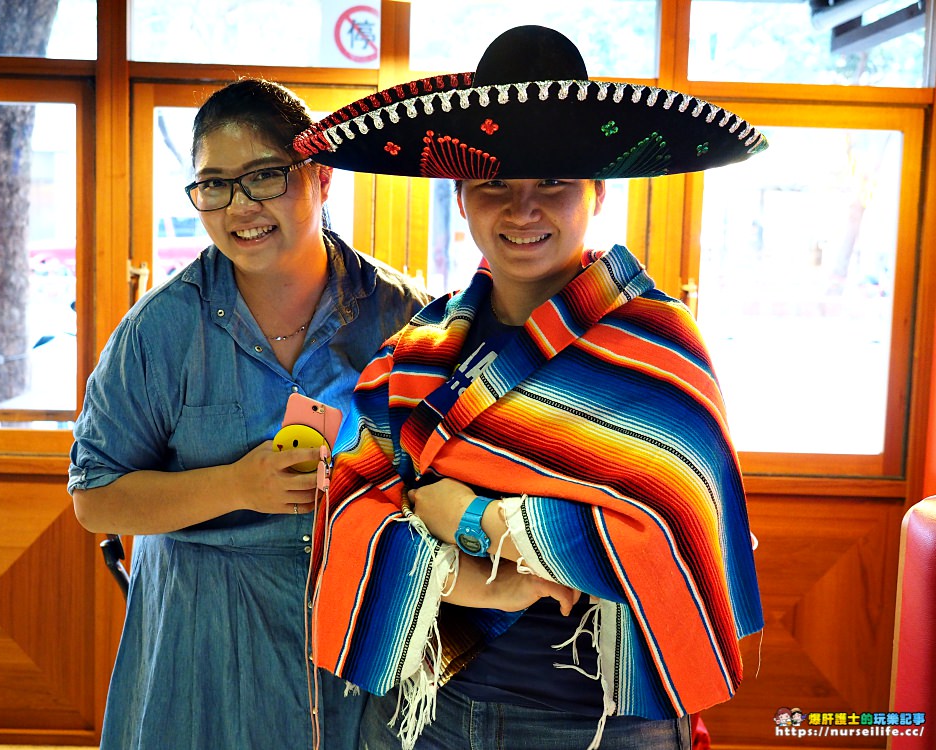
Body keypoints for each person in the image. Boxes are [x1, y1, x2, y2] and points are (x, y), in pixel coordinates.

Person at [295, 25, 765, 750]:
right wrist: (492, 577)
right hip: (440, 711)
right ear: (461, 199)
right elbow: (351, 512)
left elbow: (667, 531)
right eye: (495, 186)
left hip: (604, 723)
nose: (523, 210)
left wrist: (465, 514)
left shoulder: (661, 348)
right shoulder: (415, 354)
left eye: (553, 182)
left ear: (598, 193)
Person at [68, 77, 429, 750]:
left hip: (362, 650)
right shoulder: (161, 331)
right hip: (204, 656)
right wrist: (237, 485)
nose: (240, 206)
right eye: (214, 185)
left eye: (264, 176)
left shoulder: (405, 320)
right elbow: (96, 499)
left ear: (322, 178)